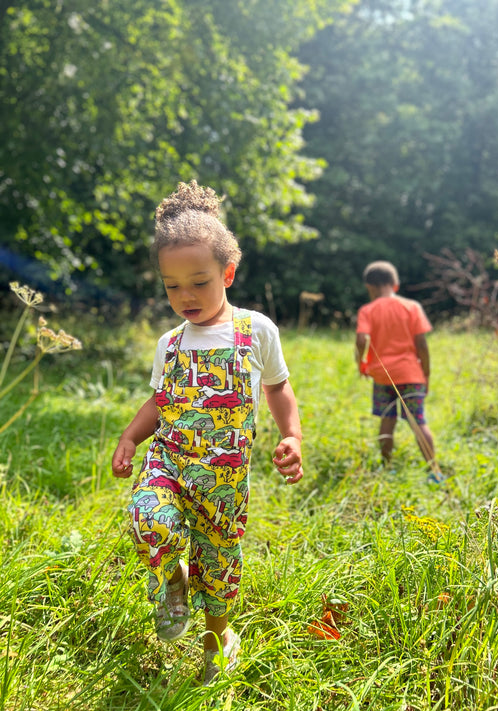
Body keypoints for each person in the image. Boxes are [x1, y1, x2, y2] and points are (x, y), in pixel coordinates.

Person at [111, 180, 303, 684]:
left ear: (228, 273)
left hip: (222, 482)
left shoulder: (255, 330)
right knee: (146, 518)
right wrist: (131, 437)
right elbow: (159, 400)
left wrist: (293, 437)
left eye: (198, 281)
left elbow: (279, 387)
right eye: (172, 286)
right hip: (170, 462)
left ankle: (218, 643)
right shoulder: (169, 343)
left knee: (219, 568)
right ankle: (173, 581)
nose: (185, 296)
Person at [355, 260, 443, 482]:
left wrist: (362, 363)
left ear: (370, 287)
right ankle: (434, 471)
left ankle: (387, 468)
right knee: (418, 422)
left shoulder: (368, 310)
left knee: (387, 420)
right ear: (395, 284)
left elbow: (360, 339)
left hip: (383, 377)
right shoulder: (412, 307)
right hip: (411, 375)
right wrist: (427, 373)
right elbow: (422, 344)